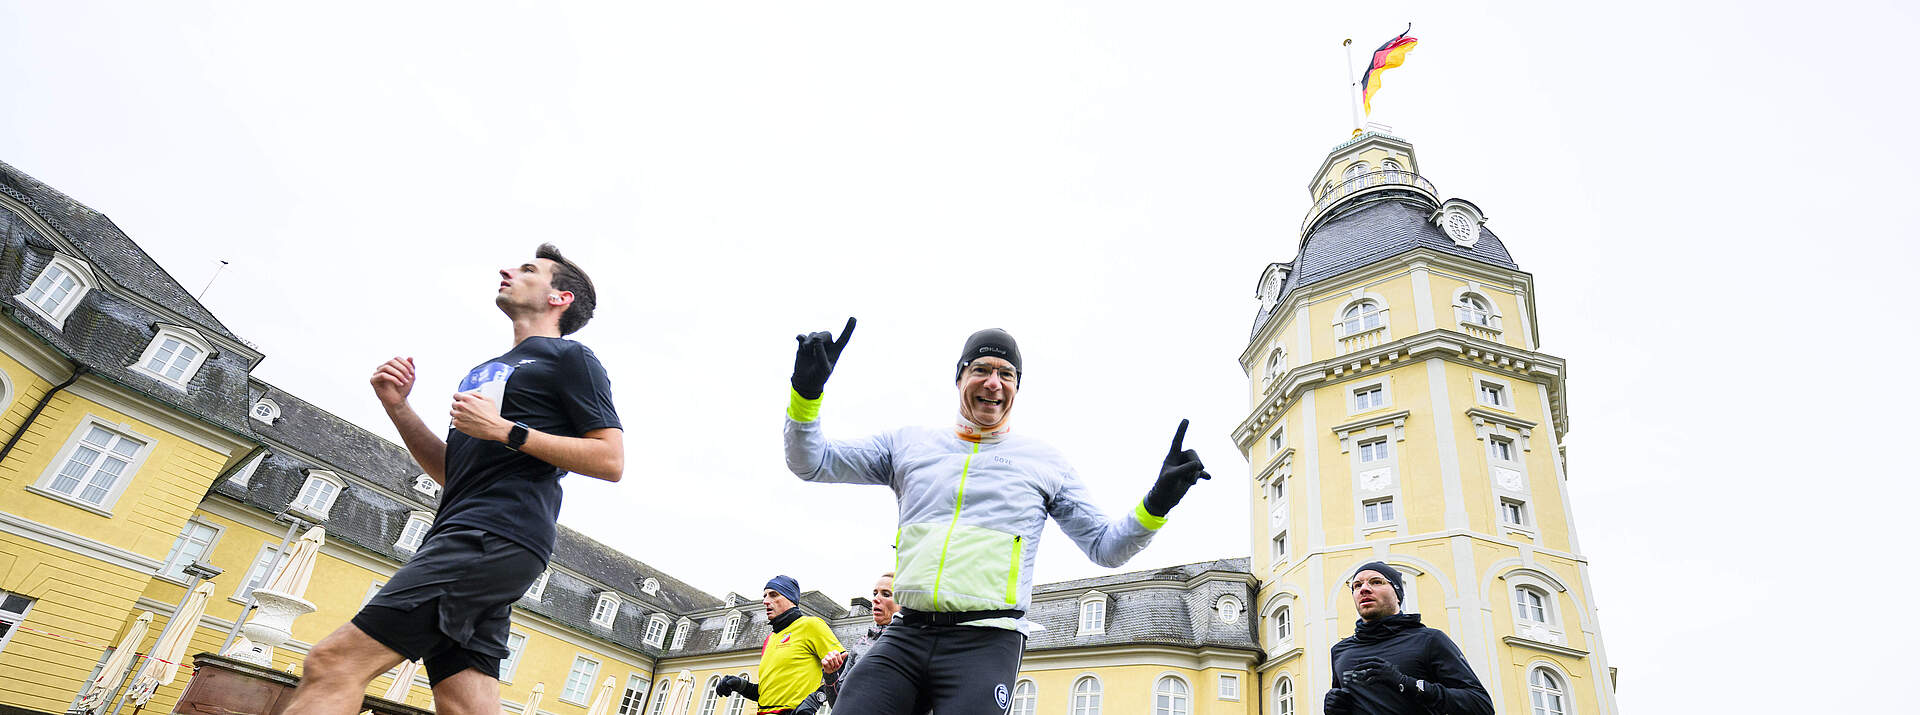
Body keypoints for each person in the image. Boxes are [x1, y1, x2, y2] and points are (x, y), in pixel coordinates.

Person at [781, 320, 1210, 714]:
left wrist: (1158, 502)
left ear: (1017, 387)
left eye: (1007, 374)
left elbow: (1106, 547)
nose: (994, 383)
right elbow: (812, 462)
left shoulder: (1044, 463)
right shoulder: (908, 445)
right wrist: (806, 393)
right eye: (982, 369)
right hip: (906, 632)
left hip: (986, 640)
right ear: (959, 377)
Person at [286, 244, 624, 715]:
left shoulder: (570, 358)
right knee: (466, 703)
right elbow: (455, 473)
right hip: (467, 534)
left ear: (559, 298)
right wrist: (399, 407)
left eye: (528, 269)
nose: (507, 269)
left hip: (493, 536)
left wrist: (507, 431)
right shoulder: (483, 371)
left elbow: (610, 460)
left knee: (333, 664)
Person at [1325, 561, 1494, 715]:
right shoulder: (1341, 651)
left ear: (1398, 594)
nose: (1364, 589)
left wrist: (1405, 683)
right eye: (1356, 585)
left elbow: (1480, 705)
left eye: (1376, 582)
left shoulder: (1429, 640)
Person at [715, 576, 847, 715]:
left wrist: (815, 700)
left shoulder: (811, 625)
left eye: (773, 595)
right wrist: (740, 685)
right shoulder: (770, 638)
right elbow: (767, 696)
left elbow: (847, 670)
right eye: (765, 596)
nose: (765, 601)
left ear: (790, 599)